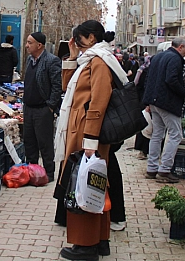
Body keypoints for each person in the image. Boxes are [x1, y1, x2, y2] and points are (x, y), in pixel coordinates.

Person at [54, 20, 126, 261]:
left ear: (92, 38)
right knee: (94, 184)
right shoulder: (89, 59)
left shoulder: (100, 61)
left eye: (79, 39)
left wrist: (91, 140)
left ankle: (86, 245)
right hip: (81, 131)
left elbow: (99, 101)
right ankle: (99, 241)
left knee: (83, 186)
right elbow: (69, 90)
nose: (76, 43)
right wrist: (72, 57)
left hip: (86, 134)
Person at [142, 38, 185, 183]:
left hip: (154, 100)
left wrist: (148, 100)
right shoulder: (175, 58)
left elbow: (149, 79)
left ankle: (151, 168)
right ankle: (164, 170)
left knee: (157, 134)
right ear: (181, 47)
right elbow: (171, 80)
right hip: (167, 102)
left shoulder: (158, 56)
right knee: (175, 134)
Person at [23, 32, 62, 181]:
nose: (27, 45)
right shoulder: (29, 60)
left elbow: (57, 86)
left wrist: (50, 106)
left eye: (30, 42)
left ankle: (49, 173)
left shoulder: (51, 61)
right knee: (29, 141)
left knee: (44, 142)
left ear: (39, 45)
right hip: (29, 108)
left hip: (43, 109)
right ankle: (33, 172)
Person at [133, 56, 152, 160]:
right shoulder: (147, 71)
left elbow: (135, 84)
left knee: (145, 126)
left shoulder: (142, 70)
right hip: (147, 101)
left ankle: (143, 150)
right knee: (149, 127)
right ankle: (146, 150)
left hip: (143, 100)